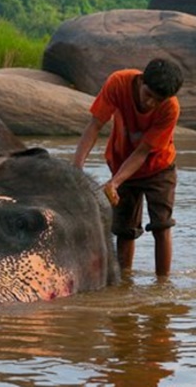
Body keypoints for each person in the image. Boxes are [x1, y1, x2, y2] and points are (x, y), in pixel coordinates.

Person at [73, 58, 184, 277]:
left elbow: (143, 151)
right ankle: (125, 280)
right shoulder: (119, 83)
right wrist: (76, 168)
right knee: (125, 230)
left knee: (161, 226)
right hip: (121, 159)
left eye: (158, 100)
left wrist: (114, 182)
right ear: (141, 80)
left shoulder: (170, 108)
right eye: (148, 95)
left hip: (159, 168)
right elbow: (95, 125)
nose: (151, 103)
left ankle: (162, 284)